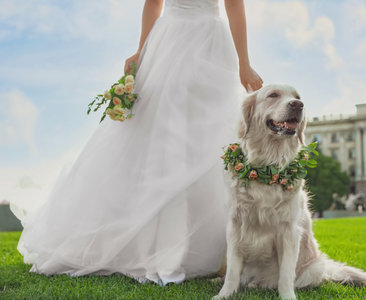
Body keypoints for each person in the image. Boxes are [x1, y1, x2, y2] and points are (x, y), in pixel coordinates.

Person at [12, 0, 262, 286]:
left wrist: (244, 62)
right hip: (169, 43)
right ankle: (160, 244)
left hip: (211, 46)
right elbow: (153, 2)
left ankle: (212, 248)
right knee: (161, 132)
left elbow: (234, 4)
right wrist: (141, 51)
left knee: (211, 137)